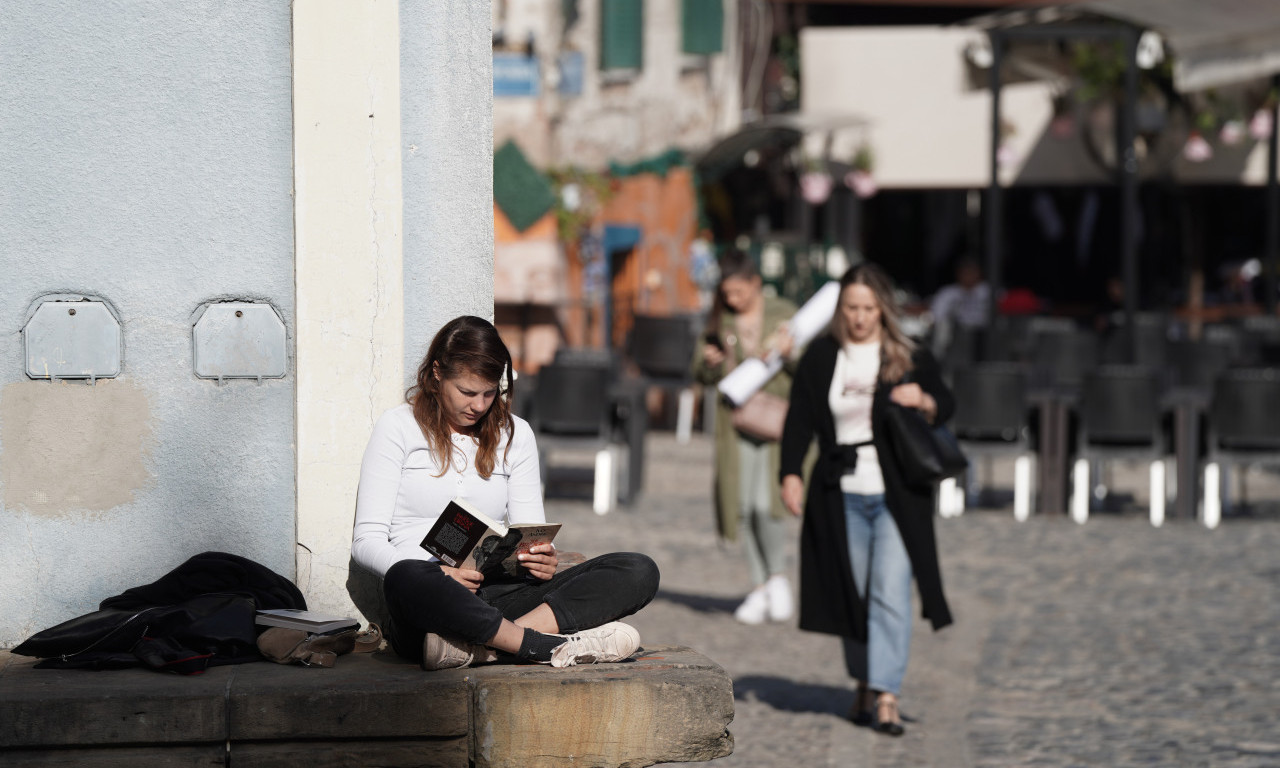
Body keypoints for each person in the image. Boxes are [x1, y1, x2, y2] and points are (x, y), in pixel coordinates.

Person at [352, 315, 660, 670]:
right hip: (430, 600)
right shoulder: (399, 427)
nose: (479, 406)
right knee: (406, 576)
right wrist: (438, 575)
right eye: (467, 392)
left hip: (498, 595)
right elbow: (366, 541)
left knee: (638, 569)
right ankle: (544, 647)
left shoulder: (515, 434)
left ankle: (490, 646)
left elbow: (531, 528)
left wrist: (542, 558)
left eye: (488, 392)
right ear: (437, 373)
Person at [779, 264, 954, 736]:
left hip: (898, 492)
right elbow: (800, 420)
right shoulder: (821, 355)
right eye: (851, 308)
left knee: (890, 592)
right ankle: (862, 681)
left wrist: (925, 399)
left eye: (868, 308)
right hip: (840, 492)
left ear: (883, 309)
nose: (860, 318)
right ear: (841, 310)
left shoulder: (906, 354)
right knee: (851, 595)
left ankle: (887, 694)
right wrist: (791, 472)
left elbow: (947, 402)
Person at [691, 250, 797, 625]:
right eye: (727, 293)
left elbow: (810, 364)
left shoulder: (783, 312)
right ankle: (759, 585)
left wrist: (791, 352)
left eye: (738, 292)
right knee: (741, 506)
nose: (733, 300)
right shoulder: (721, 319)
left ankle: (778, 576)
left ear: (755, 283)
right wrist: (709, 361)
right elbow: (699, 370)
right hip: (735, 420)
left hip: (776, 419)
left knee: (767, 504)